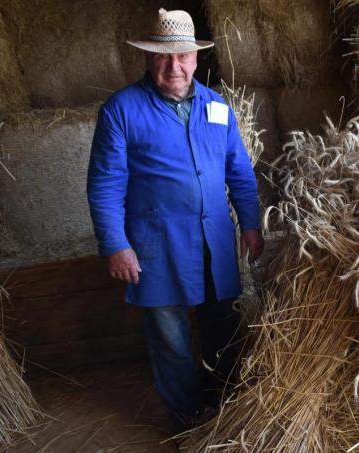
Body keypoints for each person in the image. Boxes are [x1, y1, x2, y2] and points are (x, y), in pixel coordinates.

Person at [86, 8, 264, 433]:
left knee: (222, 325)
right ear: (148, 58)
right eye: (164, 57)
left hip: (214, 240)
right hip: (156, 245)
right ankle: (187, 418)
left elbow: (239, 171)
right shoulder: (122, 110)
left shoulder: (217, 107)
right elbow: (105, 184)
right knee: (170, 337)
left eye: (183, 56)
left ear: (196, 59)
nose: (175, 66)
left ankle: (225, 406)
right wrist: (115, 243)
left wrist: (252, 223)